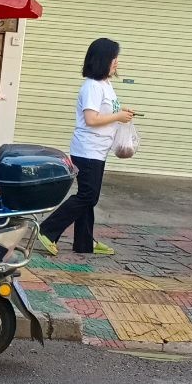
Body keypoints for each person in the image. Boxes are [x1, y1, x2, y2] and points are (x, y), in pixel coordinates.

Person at [37, 37, 134, 258]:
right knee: (88, 196)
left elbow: (105, 113)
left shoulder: (105, 85)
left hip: (98, 149)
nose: (116, 62)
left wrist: (121, 112)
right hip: (87, 150)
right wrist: (118, 116)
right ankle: (47, 231)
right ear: (103, 60)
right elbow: (91, 119)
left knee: (87, 195)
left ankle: (84, 242)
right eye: (113, 58)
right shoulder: (92, 86)